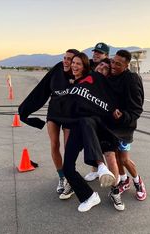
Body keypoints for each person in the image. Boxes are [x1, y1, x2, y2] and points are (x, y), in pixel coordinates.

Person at [59, 53, 116, 209]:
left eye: (106, 68)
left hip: (93, 125)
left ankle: (101, 166)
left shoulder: (99, 82)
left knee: (86, 120)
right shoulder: (79, 82)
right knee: (67, 168)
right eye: (73, 63)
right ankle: (90, 196)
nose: (74, 66)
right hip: (78, 127)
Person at [18, 49, 79, 194]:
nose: (66, 61)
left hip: (70, 115)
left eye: (69, 59)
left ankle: (70, 176)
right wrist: (25, 109)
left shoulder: (79, 73)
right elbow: (42, 88)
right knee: (54, 144)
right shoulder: (57, 69)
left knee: (68, 149)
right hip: (54, 113)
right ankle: (62, 177)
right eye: (65, 57)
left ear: (76, 62)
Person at [105, 50, 146, 204]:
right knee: (114, 157)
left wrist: (123, 116)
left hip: (125, 126)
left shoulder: (132, 79)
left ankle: (138, 182)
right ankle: (124, 180)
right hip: (110, 125)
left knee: (123, 159)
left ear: (127, 65)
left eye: (118, 64)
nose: (113, 65)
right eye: (112, 62)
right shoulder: (110, 75)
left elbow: (137, 108)